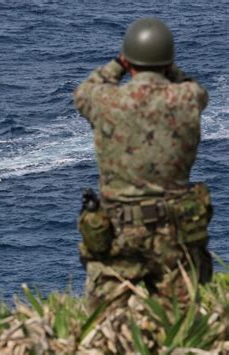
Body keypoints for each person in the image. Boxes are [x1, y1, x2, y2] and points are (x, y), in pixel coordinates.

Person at [74, 17, 212, 312]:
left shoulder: (105, 100)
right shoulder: (188, 98)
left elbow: (83, 92)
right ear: (167, 62)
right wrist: (168, 67)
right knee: (179, 326)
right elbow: (196, 89)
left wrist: (117, 64)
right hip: (174, 234)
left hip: (119, 233)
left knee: (105, 326)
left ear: (129, 61)